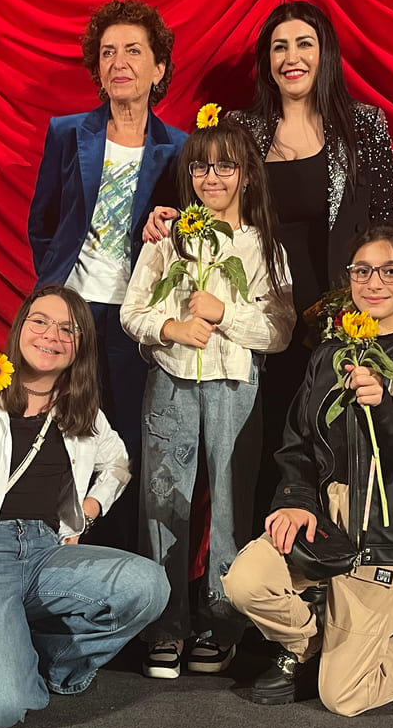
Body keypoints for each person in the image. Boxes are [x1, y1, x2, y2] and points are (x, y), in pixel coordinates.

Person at [144, 1, 393, 523]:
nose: (292, 56)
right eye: (279, 46)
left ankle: (323, 576)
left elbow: (384, 225)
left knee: (329, 444)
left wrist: (373, 313)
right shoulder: (243, 129)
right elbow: (203, 198)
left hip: (338, 321)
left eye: (304, 43)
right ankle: (253, 584)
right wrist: (166, 215)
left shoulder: (364, 127)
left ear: (324, 53)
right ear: (266, 61)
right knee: (255, 451)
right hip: (252, 317)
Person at [222, 222, 393, 716]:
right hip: (324, 517)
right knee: (245, 582)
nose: (374, 282)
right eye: (362, 270)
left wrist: (382, 402)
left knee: (342, 696)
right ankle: (311, 646)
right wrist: (296, 501)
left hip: (380, 528)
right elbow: (298, 442)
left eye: (390, 271)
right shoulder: (328, 355)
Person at [0, 285, 168, 728]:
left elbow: (118, 462)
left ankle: (54, 665)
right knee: (1, 708)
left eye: (69, 329)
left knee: (148, 586)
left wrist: (89, 509)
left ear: (80, 346)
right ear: (20, 329)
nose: (52, 335)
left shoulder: (81, 411)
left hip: (48, 551)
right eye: (41, 321)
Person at [121, 111, 295, 679]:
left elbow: (281, 329)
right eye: (200, 166)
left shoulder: (263, 247)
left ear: (247, 173)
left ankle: (222, 623)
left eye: (225, 165)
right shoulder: (168, 237)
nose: (211, 177)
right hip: (171, 383)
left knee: (230, 504)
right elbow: (133, 312)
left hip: (235, 387)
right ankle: (164, 626)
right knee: (162, 504)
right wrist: (169, 329)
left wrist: (226, 314)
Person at [28, 0, 187, 550]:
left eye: (133, 51)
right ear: (97, 68)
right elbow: (44, 220)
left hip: (134, 318)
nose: (120, 62)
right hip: (71, 311)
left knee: (126, 447)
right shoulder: (68, 133)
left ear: (158, 68)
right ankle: (56, 559)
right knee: (64, 434)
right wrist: (54, 291)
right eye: (108, 52)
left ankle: (122, 565)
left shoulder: (180, 149)